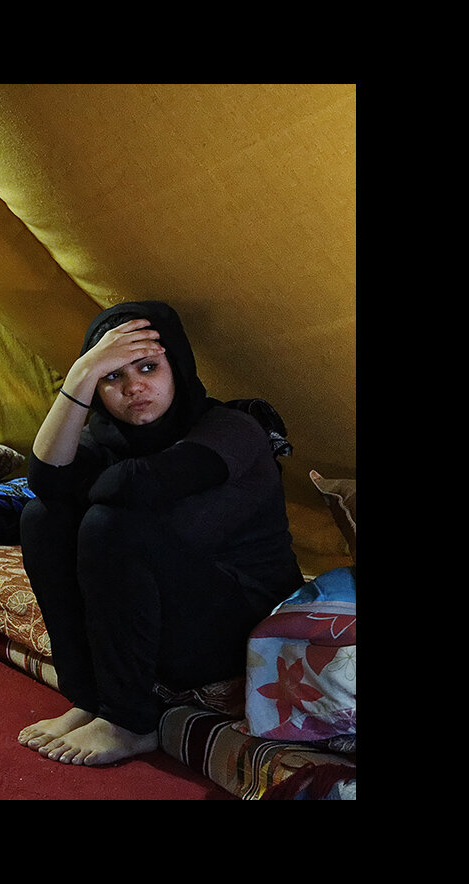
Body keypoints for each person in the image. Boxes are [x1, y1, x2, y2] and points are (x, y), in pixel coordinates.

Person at [16, 300, 304, 766]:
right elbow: (46, 484)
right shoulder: (109, 435)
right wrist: (79, 377)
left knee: (109, 525)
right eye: (112, 377)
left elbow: (133, 485)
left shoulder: (232, 430)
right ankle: (91, 699)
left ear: (178, 365)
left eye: (148, 366)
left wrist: (85, 485)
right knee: (41, 518)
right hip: (162, 616)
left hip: (240, 624)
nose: (134, 388)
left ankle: (130, 722)